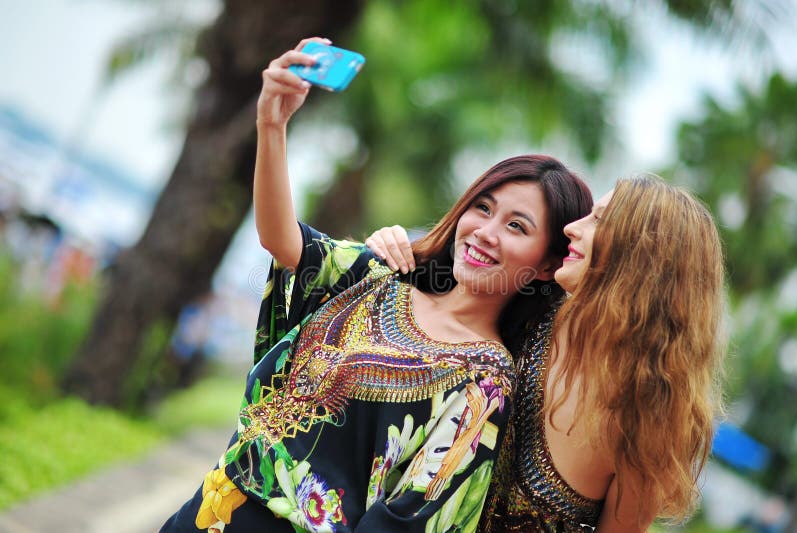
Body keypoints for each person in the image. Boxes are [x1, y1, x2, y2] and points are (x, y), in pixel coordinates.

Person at [160, 37, 593, 533]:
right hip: (206, 511)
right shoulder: (380, 276)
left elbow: (406, 521)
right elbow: (282, 240)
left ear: (544, 266)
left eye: (517, 227)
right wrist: (272, 124)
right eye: (483, 208)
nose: (486, 233)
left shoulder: (485, 384)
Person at [368, 176, 726, 531]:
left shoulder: (647, 424)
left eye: (598, 220)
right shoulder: (532, 303)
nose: (572, 228)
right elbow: (439, 285)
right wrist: (389, 246)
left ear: (641, 255)